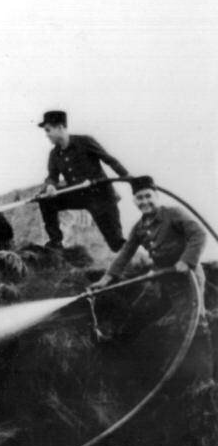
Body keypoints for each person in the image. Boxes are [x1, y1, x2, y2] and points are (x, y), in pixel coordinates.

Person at [89, 176, 210, 372]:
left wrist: (186, 261)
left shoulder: (173, 214)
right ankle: (115, 348)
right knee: (141, 312)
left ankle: (204, 378)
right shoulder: (139, 226)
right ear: (134, 201)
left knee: (193, 323)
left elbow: (199, 235)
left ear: (157, 196)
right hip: (163, 278)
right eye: (139, 198)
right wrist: (105, 279)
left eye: (148, 196)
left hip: (187, 280)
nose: (144, 201)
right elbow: (125, 253)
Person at [36, 111, 129, 251]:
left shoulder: (84, 142)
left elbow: (109, 160)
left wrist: (128, 177)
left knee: (116, 244)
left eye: (48, 130)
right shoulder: (54, 154)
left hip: (101, 197)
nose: (46, 134)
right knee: (45, 199)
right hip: (78, 196)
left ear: (60, 127)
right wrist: (50, 186)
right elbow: (52, 176)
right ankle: (55, 242)